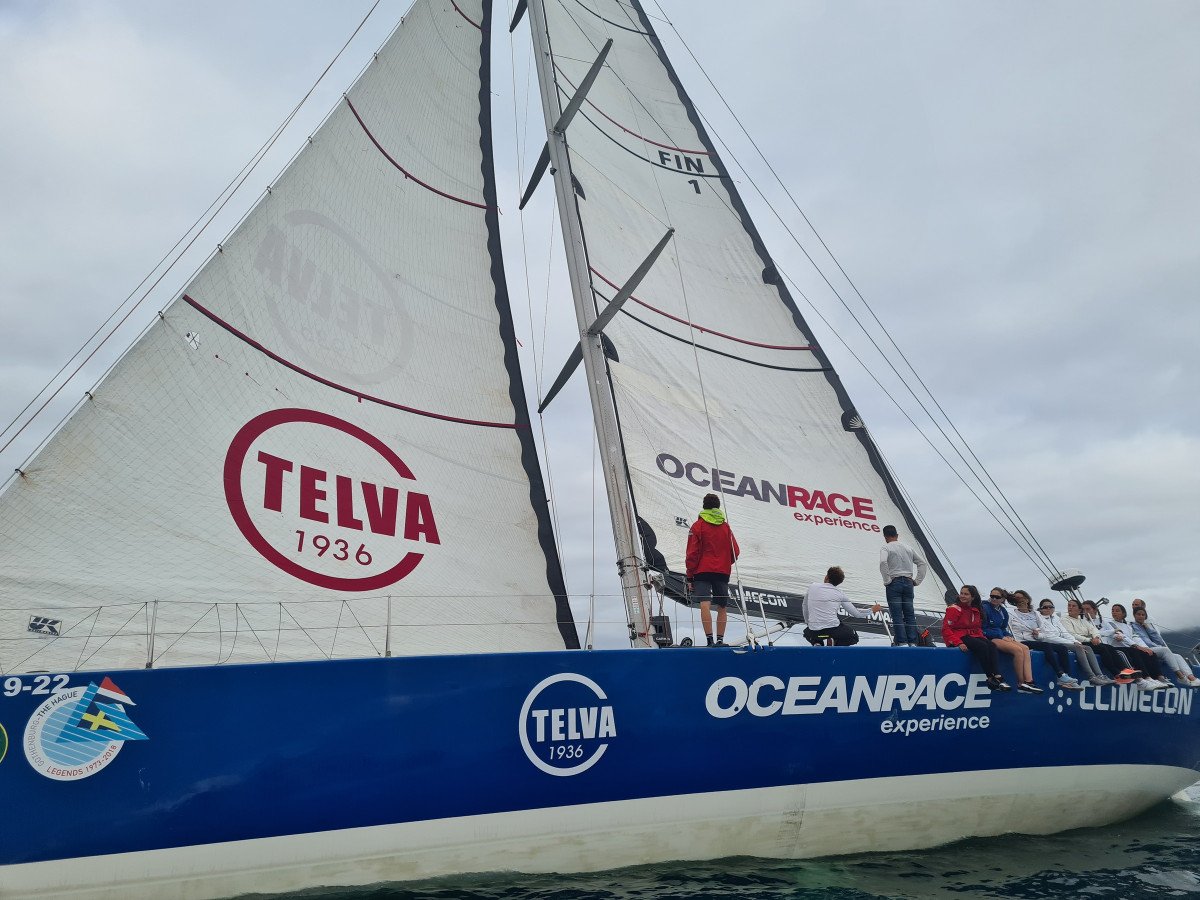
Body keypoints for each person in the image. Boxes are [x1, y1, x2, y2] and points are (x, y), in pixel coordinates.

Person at [685, 493, 740, 647]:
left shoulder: (697, 526)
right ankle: (720, 640)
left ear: (704, 506)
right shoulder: (726, 527)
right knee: (722, 606)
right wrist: (725, 563)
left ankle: (709, 640)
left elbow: (692, 553)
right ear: (718, 507)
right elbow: (735, 551)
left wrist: (690, 576)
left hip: (702, 571)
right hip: (722, 571)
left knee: (705, 603)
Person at [1007, 590, 1083, 690]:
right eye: (1016, 598)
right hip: (1021, 641)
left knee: (1062, 648)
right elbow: (1008, 629)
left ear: (1027, 599)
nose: (1019, 600)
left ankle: (1067, 678)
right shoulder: (1011, 613)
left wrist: (1038, 634)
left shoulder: (1035, 614)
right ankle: (1060, 674)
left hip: (1035, 640)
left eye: (1021, 597)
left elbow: (1044, 631)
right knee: (1046, 645)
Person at [942, 585, 1009, 691]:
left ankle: (998, 676)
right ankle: (990, 678)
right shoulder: (954, 609)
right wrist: (958, 643)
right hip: (958, 636)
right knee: (982, 646)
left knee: (991, 645)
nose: (962, 596)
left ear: (972, 597)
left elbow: (977, 628)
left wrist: (983, 638)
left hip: (972, 636)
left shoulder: (975, 609)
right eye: (961, 593)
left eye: (966, 594)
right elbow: (946, 629)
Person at [1035, 598, 1112, 686]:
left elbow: (1065, 633)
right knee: (1079, 647)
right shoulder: (1042, 619)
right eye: (1045, 607)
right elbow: (1049, 637)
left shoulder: (1055, 618)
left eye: (1051, 606)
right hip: (1054, 642)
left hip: (1063, 641)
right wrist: (1073, 642)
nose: (1048, 608)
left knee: (1088, 648)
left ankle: (1099, 675)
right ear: (1040, 609)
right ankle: (1091, 677)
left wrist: (1076, 641)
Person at [981, 588, 1042, 693]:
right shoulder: (985, 608)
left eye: (997, 597)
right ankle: (1020, 683)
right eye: (992, 596)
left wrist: (1008, 635)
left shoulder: (1003, 611)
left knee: (1025, 648)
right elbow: (983, 628)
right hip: (990, 637)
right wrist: (1001, 636)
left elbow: (1003, 628)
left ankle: (1029, 681)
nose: (994, 599)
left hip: (1000, 636)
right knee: (1017, 650)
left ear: (1002, 599)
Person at [802, 566, 882, 646]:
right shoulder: (840, 593)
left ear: (826, 577)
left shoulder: (812, 586)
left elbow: (805, 606)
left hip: (814, 631)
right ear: (839, 583)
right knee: (853, 637)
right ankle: (834, 644)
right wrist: (872, 610)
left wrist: (808, 623)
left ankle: (817, 643)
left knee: (807, 632)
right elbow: (857, 613)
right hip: (832, 630)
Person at [1063, 598, 1137, 683]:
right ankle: (1116, 673)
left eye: (1073, 606)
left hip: (1089, 641)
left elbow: (1094, 630)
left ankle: (1123, 671)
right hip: (1079, 642)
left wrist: (1096, 637)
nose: (1070, 607)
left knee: (1110, 648)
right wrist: (1090, 639)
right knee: (1103, 649)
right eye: (1069, 605)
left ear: (1079, 610)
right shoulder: (1065, 619)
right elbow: (1072, 634)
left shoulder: (1082, 621)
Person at [879, 525, 927, 646]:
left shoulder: (886, 547)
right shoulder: (908, 548)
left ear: (885, 537)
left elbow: (883, 562)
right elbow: (922, 563)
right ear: (897, 535)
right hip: (908, 582)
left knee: (897, 615)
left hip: (894, 583)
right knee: (909, 614)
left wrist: (887, 580)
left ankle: (902, 642)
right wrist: (917, 581)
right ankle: (913, 643)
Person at [1105, 604, 1170, 689]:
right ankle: (1144, 679)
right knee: (1135, 651)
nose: (1114, 612)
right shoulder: (1110, 623)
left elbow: (1136, 637)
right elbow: (1121, 636)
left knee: (1150, 653)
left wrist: (1145, 648)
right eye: (1113, 610)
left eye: (1117, 611)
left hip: (1129, 648)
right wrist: (1136, 646)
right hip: (1117, 648)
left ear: (1123, 613)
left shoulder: (1128, 626)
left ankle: (1156, 678)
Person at [1131, 607, 1200, 687]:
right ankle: (1180, 676)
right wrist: (1155, 646)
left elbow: (1159, 641)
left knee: (1177, 656)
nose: (1141, 616)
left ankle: (1192, 678)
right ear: (1134, 615)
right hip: (1143, 649)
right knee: (1165, 650)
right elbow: (1140, 640)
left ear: (1145, 617)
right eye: (1138, 614)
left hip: (1154, 649)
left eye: (1143, 615)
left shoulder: (1146, 627)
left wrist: (1149, 629)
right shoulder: (1132, 626)